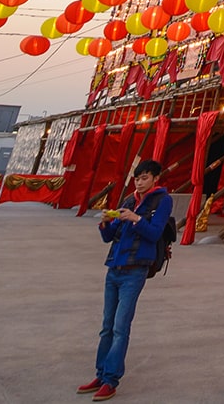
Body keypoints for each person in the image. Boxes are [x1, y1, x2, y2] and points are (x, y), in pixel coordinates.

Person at [80, 159, 172, 400]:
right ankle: (100, 374)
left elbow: (154, 232)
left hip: (135, 269)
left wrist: (136, 218)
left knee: (121, 326)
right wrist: (105, 223)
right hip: (114, 267)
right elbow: (110, 236)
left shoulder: (162, 200)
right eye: (137, 178)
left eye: (144, 178)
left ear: (155, 179)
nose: (139, 182)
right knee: (107, 326)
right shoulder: (130, 199)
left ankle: (111, 379)